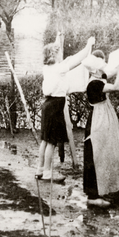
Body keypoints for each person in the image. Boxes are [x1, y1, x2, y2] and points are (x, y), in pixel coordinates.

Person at [36, 34, 96, 182]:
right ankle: (48, 173)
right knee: (51, 141)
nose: (61, 54)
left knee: (44, 140)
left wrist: (57, 38)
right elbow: (77, 59)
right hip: (55, 106)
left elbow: (54, 50)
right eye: (59, 52)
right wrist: (88, 45)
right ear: (55, 55)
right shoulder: (60, 68)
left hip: (47, 105)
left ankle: (40, 169)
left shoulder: (47, 68)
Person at [83, 50, 119, 207]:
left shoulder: (97, 78)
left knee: (104, 152)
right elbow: (117, 86)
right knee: (96, 154)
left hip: (102, 117)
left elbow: (111, 72)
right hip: (98, 120)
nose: (104, 67)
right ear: (96, 68)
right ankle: (93, 195)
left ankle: (102, 189)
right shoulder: (95, 84)